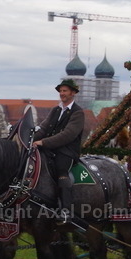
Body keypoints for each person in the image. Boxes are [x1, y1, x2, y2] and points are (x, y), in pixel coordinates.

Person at [33, 77, 87, 220]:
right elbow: (43, 128)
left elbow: (68, 135)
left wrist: (43, 142)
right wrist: (29, 139)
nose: (62, 93)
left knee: (61, 171)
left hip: (67, 151)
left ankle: (65, 210)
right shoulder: (55, 110)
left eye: (65, 91)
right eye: (61, 91)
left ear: (73, 93)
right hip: (50, 149)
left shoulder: (78, 112)